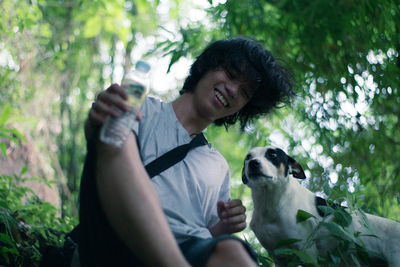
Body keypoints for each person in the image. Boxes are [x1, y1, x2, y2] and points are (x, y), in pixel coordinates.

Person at [78, 37, 295, 267]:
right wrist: (98, 120)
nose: (232, 90)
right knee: (118, 127)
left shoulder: (218, 167)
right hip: (112, 239)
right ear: (207, 66)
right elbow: (104, 144)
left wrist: (225, 226)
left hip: (186, 253)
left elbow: (207, 238)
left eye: (244, 92)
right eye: (231, 74)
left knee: (233, 252)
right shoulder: (140, 108)